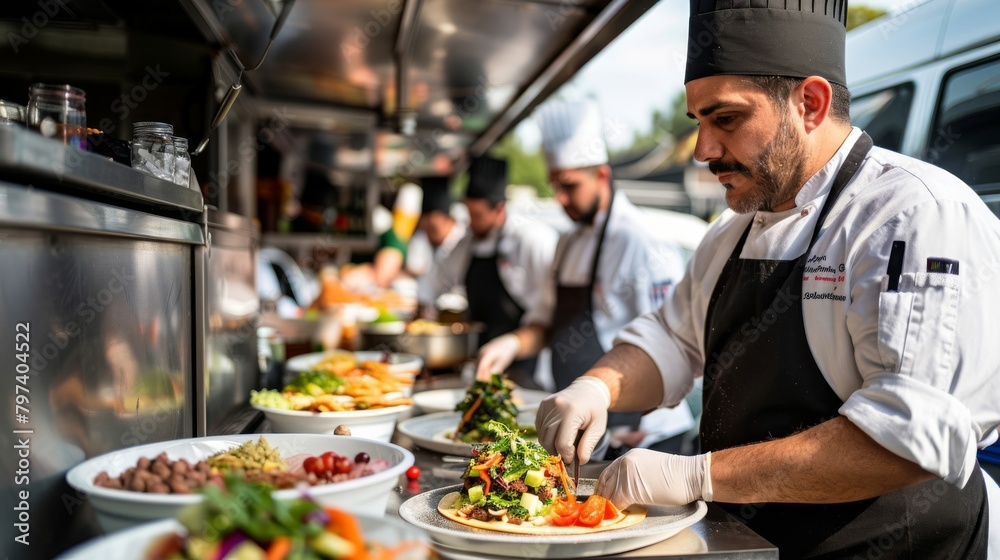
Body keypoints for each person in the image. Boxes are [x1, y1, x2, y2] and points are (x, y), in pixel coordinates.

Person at [535, 0, 1000, 557]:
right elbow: (670, 339)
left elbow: (904, 442)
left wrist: (696, 477)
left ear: (810, 102)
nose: (704, 151)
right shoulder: (729, 234)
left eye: (725, 119)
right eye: (699, 123)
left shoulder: (912, 214)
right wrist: (598, 387)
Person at [478, 99, 687, 433]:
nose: (560, 198)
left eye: (569, 185)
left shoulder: (641, 240)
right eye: (555, 185)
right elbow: (545, 321)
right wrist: (511, 344)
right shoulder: (568, 243)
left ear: (601, 175)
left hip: (640, 431)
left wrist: (638, 424)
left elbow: (672, 344)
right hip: (585, 421)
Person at [450, 155, 558, 388]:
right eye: (468, 212)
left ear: (499, 209)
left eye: (477, 215)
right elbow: (440, 282)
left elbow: (548, 316)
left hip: (526, 368)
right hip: (482, 361)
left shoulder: (532, 240)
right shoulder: (468, 242)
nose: (470, 222)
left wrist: (511, 344)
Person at [412, 175, 467, 315]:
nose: (427, 231)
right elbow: (429, 284)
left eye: (432, 227)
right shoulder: (436, 246)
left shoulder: (464, 245)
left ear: (448, 219)